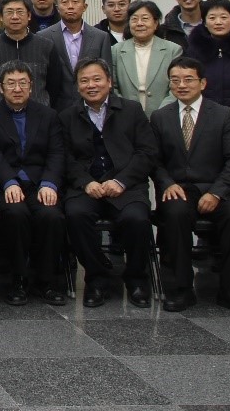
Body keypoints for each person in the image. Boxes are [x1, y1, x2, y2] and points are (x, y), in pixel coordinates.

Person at [151, 57, 230, 316]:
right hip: (179, 188)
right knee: (175, 213)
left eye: (188, 79)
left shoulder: (224, 114)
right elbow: (153, 159)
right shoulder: (160, 117)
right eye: (175, 80)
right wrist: (167, 183)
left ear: (203, 83)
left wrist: (217, 192)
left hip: (217, 187)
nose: (182, 85)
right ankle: (181, 288)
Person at [61, 58, 157, 309]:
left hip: (126, 185)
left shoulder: (132, 110)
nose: (91, 85)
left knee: (137, 219)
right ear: (77, 85)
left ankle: (136, 279)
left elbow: (147, 152)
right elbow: (65, 157)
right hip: (86, 187)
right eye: (84, 81)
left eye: (97, 79)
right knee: (75, 215)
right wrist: (85, 182)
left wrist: (121, 181)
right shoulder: (68, 116)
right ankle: (96, 277)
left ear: (109, 82)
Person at [0, 61, 66, 305]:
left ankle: (46, 281)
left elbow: (56, 153)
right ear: (0, 87)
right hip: (4, 183)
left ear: (31, 86)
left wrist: (49, 183)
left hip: (40, 183)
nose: (17, 89)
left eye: (22, 83)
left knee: (51, 215)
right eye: (11, 83)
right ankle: (18, 279)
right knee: (15, 214)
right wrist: (8, 181)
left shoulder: (48, 115)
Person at [0, 0, 69, 115]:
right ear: (1, 16)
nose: (15, 17)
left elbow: (54, 87)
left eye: (20, 12)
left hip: (39, 116)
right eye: (9, 12)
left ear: (29, 15)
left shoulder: (46, 47)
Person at [111, 0, 182, 115]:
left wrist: (161, 114)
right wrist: (126, 111)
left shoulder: (173, 50)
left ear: (156, 23)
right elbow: (112, 87)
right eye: (134, 19)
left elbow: (176, 86)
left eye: (145, 18)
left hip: (164, 115)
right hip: (127, 116)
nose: (139, 23)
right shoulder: (116, 50)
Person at [36, 0, 113, 90]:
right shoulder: (43, 37)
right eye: (65, 2)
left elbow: (108, 75)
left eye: (75, 1)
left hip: (92, 96)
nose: (70, 6)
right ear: (57, 8)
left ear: (84, 7)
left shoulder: (100, 37)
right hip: (57, 99)